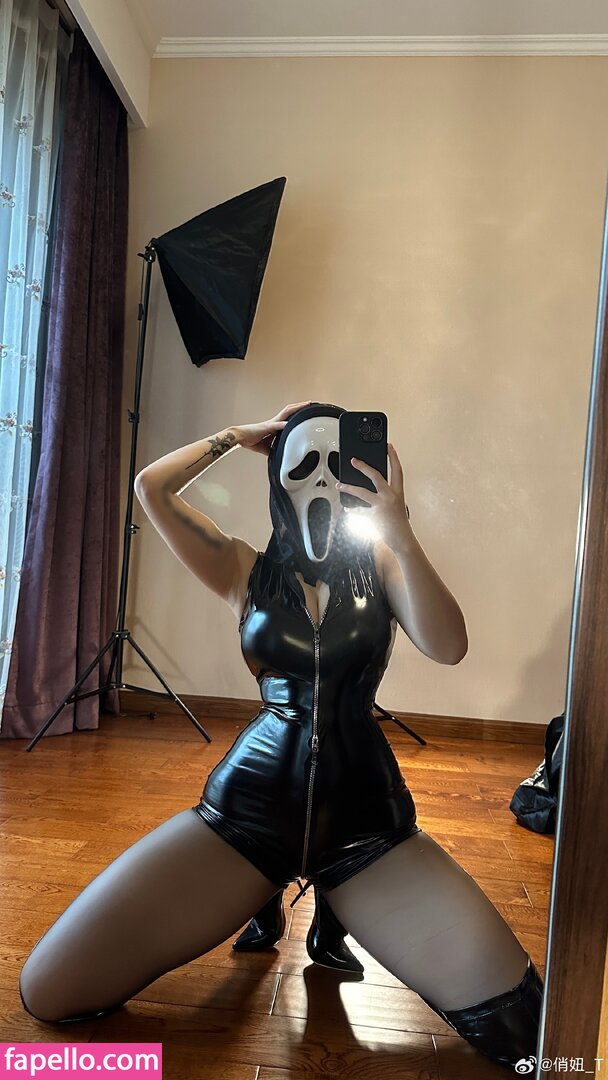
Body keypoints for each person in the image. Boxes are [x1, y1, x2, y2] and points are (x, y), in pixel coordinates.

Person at [18, 400, 543, 1070]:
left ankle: (330, 903)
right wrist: (238, 436)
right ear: (278, 476)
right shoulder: (243, 569)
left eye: (336, 464)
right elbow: (151, 487)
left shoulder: (384, 564)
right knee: (51, 991)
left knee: (531, 1040)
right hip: (247, 815)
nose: (321, 479)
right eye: (305, 464)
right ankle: (266, 896)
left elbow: (449, 646)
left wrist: (400, 527)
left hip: (366, 828)